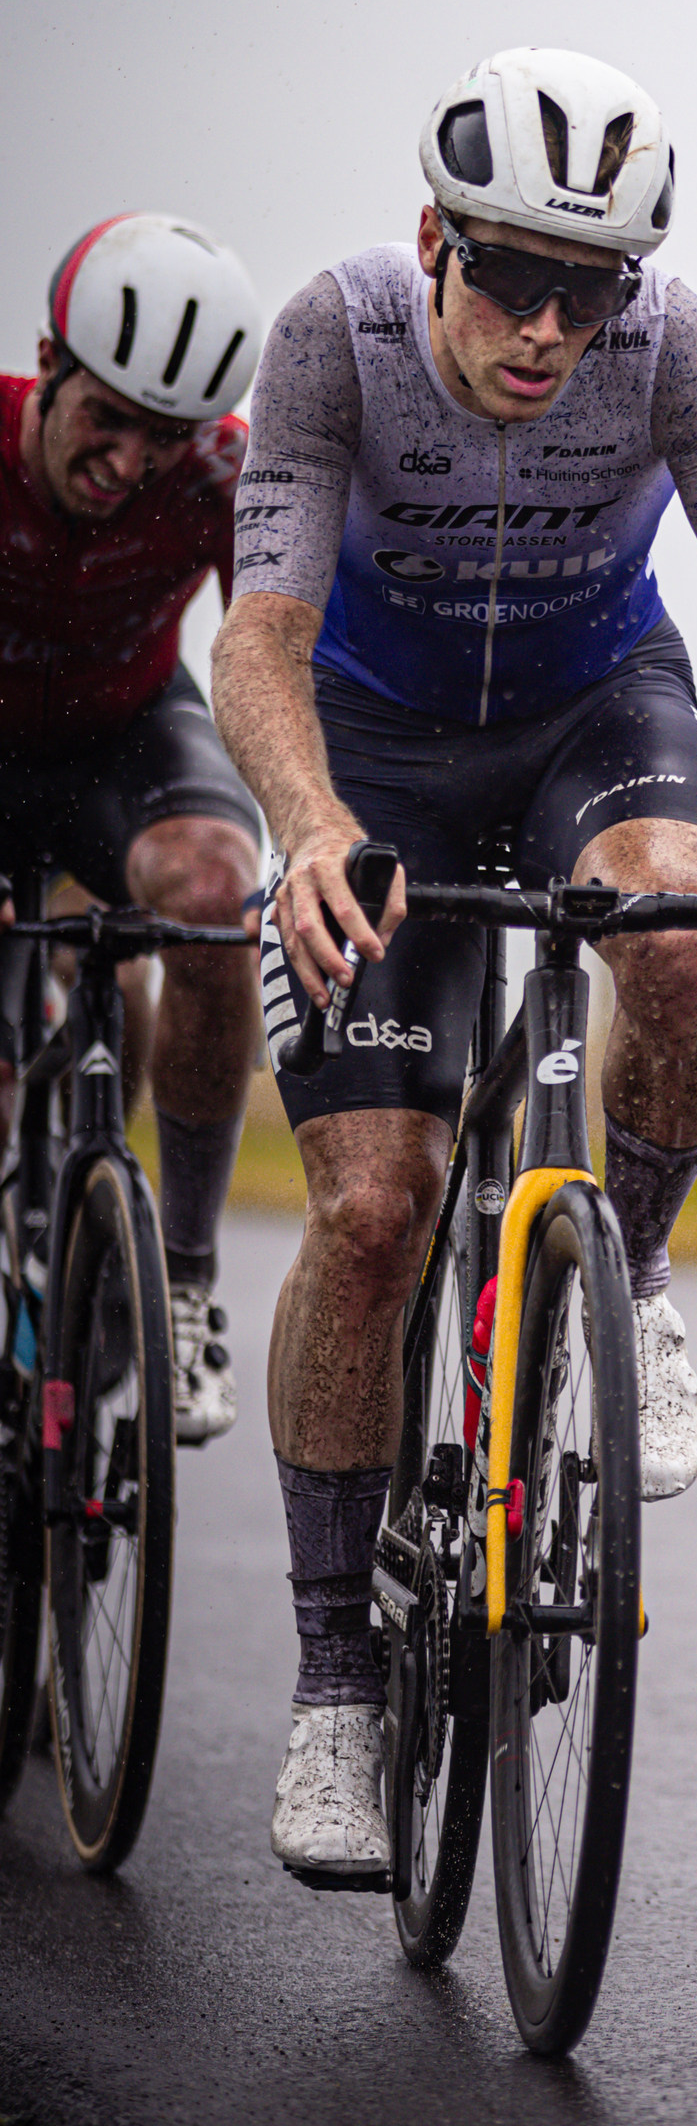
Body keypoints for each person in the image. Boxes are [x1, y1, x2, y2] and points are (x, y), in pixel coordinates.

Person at [210, 43, 697, 1883]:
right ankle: (339, 1693)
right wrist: (304, 828)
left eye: (585, 290)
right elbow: (260, 636)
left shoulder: (677, 352)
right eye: (510, 273)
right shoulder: (330, 339)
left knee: (688, 919)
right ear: (433, 238)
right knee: (374, 1213)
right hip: (376, 743)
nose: (545, 325)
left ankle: (640, 1276)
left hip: (601, 703)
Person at [0, 215, 266, 1446]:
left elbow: (271, 644)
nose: (126, 459)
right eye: (105, 416)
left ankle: (187, 1282)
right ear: (49, 366)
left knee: (218, 895)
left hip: (124, 727)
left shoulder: (222, 470)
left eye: (164, 438)